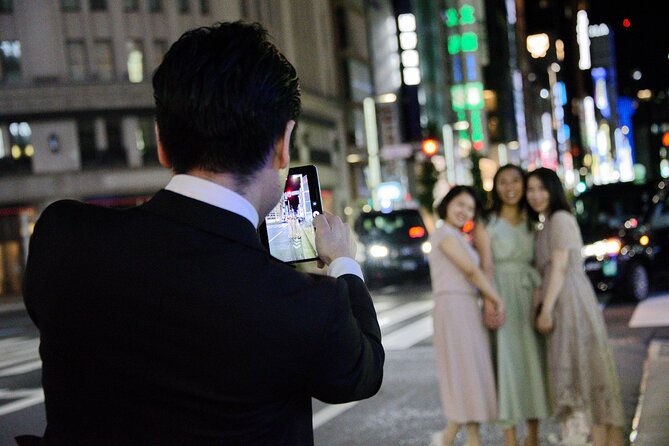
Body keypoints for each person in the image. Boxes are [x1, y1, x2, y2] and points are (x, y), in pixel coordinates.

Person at [20, 21, 384, 446]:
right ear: (284, 144)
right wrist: (343, 262)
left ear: (161, 142)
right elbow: (363, 371)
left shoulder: (61, 240)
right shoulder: (301, 304)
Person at [525, 168, 624, 446]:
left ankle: (590, 438)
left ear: (553, 190)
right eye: (531, 190)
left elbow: (559, 267)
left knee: (582, 372)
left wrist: (545, 310)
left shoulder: (560, 219)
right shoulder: (547, 223)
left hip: (569, 300)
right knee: (582, 373)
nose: (535, 195)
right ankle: (589, 438)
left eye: (541, 189)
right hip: (562, 299)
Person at [473, 165, 550, 446]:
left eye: (516, 181)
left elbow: (539, 262)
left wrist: (542, 302)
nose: (510, 187)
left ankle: (533, 437)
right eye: (503, 182)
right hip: (501, 295)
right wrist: (490, 302)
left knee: (533, 364)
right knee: (505, 365)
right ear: (495, 187)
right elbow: (487, 266)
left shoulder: (534, 221)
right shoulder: (486, 222)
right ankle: (510, 439)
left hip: (530, 297)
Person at [429, 186, 505, 446]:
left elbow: (479, 268)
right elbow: (471, 271)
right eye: (460, 204)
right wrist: (495, 298)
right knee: (463, 374)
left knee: (470, 375)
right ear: (448, 204)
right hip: (453, 308)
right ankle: (453, 438)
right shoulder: (443, 233)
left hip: (466, 307)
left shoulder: (458, 236)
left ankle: (455, 438)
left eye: (470, 208)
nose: (465, 211)